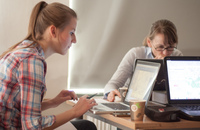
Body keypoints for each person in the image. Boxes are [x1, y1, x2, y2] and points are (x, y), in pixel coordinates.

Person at [0, 1, 97, 130]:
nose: (74, 40)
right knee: (87, 127)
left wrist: (53, 102)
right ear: (53, 31)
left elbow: (19, 108)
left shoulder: (25, 49)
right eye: (71, 32)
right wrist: (75, 111)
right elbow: (32, 127)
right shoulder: (31, 60)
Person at [104, 19, 183, 102]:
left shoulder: (177, 55)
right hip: (135, 104)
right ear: (149, 42)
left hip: (164, 105)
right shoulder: (135, 54)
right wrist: (111, 92)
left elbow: (180, 89)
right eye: (160, 47)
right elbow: (113, 84)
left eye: (170, 47)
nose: (165, 53)